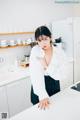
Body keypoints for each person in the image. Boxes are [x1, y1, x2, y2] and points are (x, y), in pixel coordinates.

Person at [29, 26, 68, 110]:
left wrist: (46, 67)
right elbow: (35, 74)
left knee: (55, 110)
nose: (43, 43)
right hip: (38, 88)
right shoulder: (35, 51)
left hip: (54, 85)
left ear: (50, 37)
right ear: (37, 41)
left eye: (45, 39)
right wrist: (42, 95)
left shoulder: (59, 52)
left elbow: (62, 74)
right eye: (39, 40)